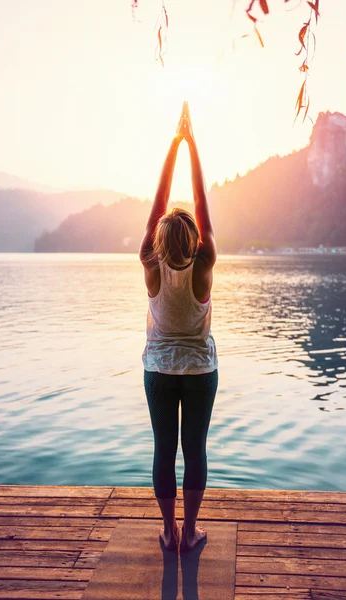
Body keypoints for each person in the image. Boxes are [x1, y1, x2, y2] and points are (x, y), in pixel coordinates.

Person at [139, 101, 218, 552]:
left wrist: (174, 143)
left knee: (163, 450)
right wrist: (194, 147)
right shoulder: (204, 263)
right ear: (194, 240)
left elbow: (157, 202)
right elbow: (202, 200)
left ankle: (168, 532)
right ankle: (191, 533)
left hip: (159, 371)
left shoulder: (150, 264)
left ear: (159, 241)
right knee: (196, 451)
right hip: (200, 371)